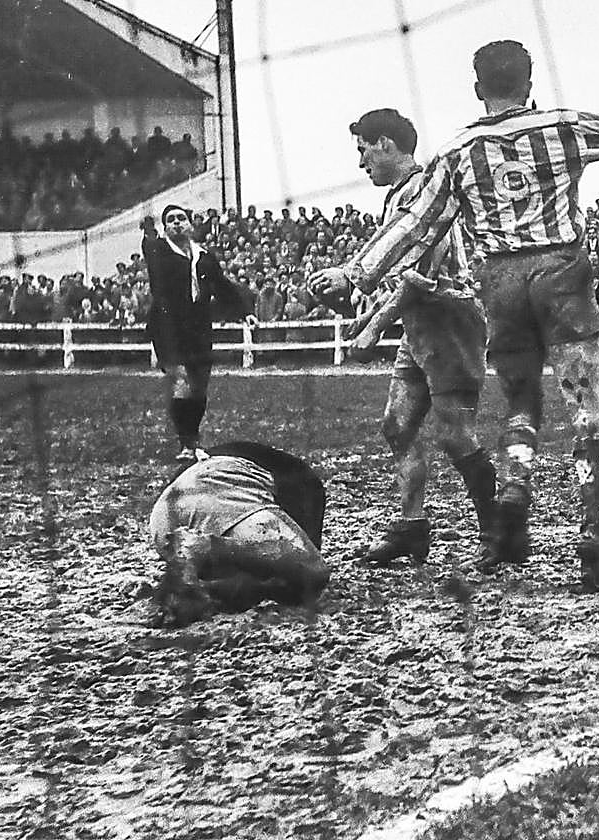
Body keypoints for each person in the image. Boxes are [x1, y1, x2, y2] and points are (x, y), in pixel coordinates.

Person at [331, 41, 599, 591]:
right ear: (530, 81)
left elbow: (418, 224)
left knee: (520, 403)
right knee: (586, 408)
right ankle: (594, 530)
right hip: (562, 271)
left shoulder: (457, 151)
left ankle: (514, 492)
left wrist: (357, 273)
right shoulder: (562, 126)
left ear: (477, 86)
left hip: (501, 282)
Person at [312, 108, 496, 567]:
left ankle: (498, 531)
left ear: (386, 144)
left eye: (363, 150)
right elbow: (401, 281)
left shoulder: (425, 191)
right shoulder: (399, 195)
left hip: (450, 318)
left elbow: (420, 275)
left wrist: (373, 326)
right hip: (420, 322)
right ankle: (413, 527)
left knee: (455, 434)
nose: (360, 164)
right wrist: (364, 316)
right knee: (398, 425)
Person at [147, 441, 330, 627]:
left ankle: (195, 578)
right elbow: (299, 580)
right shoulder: (305, 484)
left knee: (264, 566)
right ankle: (201, 547)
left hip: (165, 513)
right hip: (219, 484)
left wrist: (210, 590)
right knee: (312, 570)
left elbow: (256, 575)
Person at [143, 204, 257, 461]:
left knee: (199, 388)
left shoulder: (204, 255)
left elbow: (223, 287)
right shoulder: (159, 251)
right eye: (170, 220)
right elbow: (149, 250)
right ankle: (186, 443)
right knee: (181, 380)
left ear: (190, 224)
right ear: (164, 228)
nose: (176, 223)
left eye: (181, 218)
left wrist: (244, 312)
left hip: (198, 328)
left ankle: (192, 439)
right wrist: (149, 232)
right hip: (168, 327)